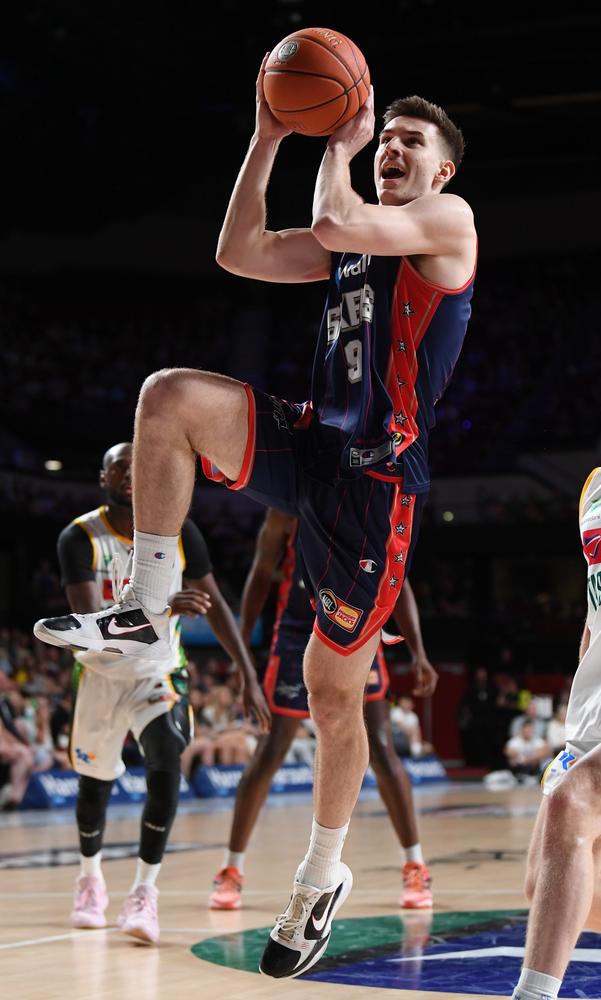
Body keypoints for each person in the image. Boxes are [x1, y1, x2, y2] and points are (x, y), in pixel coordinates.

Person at [34, 62, 476, 978]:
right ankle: (143, 603)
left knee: (330, 690)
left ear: (442, 173)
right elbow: (238, 250)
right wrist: (271, 135)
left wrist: (340, 145)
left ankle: (320, 876)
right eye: (385, 134)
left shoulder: (448, 225)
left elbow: (336, 219)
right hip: (313, 440)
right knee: (169, 399)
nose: (391, 145)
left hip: (376, 481)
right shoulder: (352, 239)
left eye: (410, 141)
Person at [41, 442, 269, 945]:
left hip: (159, 673)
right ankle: (90, 880)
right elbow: (98, 628)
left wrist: (247, 674)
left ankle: (144, 893)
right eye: (119, 467)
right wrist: (168, 608)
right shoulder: (79, 538)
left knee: (167, 763)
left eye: (138, 465)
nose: (130, 473)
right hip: (101, 674)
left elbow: (215, 606)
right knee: (93, 786)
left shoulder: (180, 531)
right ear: (103, 479)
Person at [512, 325, 601, 1000]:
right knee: (548, 887)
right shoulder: (596, 486)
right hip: (600, 703)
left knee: (576, 803)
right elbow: (598, 609)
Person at [209, 508, 437, 912]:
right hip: (299, 630)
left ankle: (415, 864)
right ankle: (231, 869)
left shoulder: (367, 498)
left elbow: (398, 579)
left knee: (383, 750)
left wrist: (418, 651)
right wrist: (242, 643)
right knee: (270, 751)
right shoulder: (287, 506)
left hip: (360, 623)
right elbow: (262, 573)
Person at [503, 718, 548, 783]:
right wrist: (520, 758)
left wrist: (529, 759)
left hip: (533, 766)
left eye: (530, 730)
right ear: (522, 730)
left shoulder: (537, 740)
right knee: (512, 761)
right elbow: (508, 751)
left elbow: (543, 751)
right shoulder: (515, 740)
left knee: (541, 760)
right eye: (526, 730)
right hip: (519, 767)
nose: (528, 732)